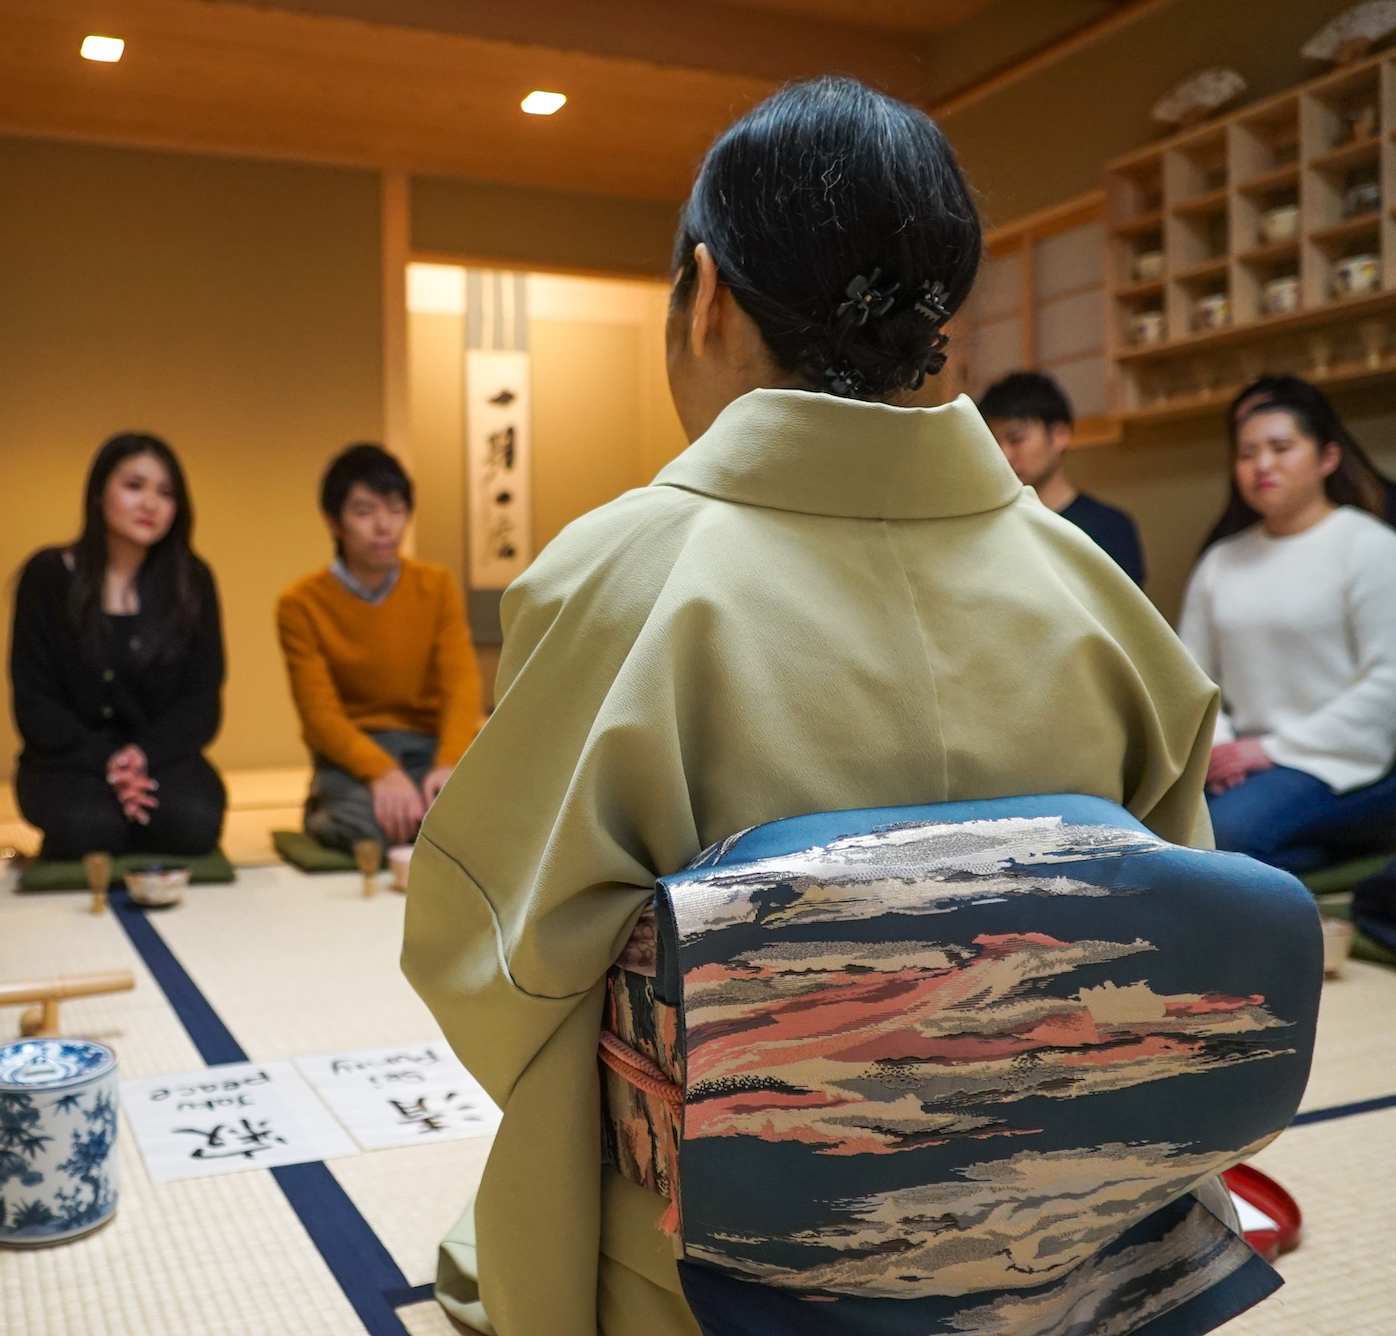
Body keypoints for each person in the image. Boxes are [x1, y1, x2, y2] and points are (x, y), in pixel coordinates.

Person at [403, 77, 1224, 1336]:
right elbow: (1190, 968)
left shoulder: (617, 576)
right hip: (1058, 1254)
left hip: (710, 1276)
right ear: (937, 312)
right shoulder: (1095, 594)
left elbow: (499, 971)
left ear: (706, 291)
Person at [1180, 375, 1396, 872]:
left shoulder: (1368, 546)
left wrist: (1269, 750)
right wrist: (1223, 748)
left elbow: (1386, 684)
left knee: (1227, 833)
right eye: (1247, 453)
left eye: (1281, 448)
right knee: (1162, 823)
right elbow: (1189, 678)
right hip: (1240, 759)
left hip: (1338, 760)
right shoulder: (1220, 560)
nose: (1263, 465)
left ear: (1327, 458)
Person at [12, 433, 226, 861]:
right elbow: (34, 702)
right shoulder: (49, 576)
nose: (150, 504)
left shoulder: (192, 580)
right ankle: (119, 814)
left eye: (165, 493)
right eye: (134, 486)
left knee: (195, 821)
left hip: (160, 756)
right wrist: (110, 762)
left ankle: (134, 809)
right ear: (98, 494)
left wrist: (140, 757)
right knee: (88, 828)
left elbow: (201, 702)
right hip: (66, 757)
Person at [276, 444, 483, 852]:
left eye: (395, 508)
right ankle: (325, 805)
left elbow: (462, 685)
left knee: (494, 815)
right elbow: (320, 716)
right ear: (333, 521)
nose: (384, 526)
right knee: (371, 824)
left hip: (429, 745)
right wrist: (382, 773)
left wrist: (448, 762)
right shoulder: (301, 604)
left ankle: (412, 811)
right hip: (355, 752)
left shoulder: (436, 586)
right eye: (365, 511)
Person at [979, 370, 1146, 584]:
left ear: (1060, 435)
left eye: (1016, 439)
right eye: (993, 443)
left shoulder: (1108, 528)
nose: (1004, 455)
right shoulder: (990, 528)